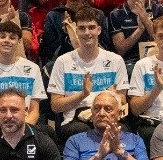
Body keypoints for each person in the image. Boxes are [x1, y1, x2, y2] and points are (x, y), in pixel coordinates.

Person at [46, 7, 129, 143]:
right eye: (82, 28)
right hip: (75, 118)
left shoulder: (115, 60)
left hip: (107, 114)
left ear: (99, 30)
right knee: (82, 132)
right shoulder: (62, 61)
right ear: (76, 31)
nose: (87, 33)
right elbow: (55, 106)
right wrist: (83, 94)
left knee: (121, 130)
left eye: (91, 27)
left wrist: (112, 98)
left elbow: (123, 100)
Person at [0, 20, 46, 128]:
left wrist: (21, 129)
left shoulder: (33, 69)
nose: (7, 40)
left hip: (23, 127)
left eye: (12, 38)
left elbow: (34, 111)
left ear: (19, 41)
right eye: (2, 37)